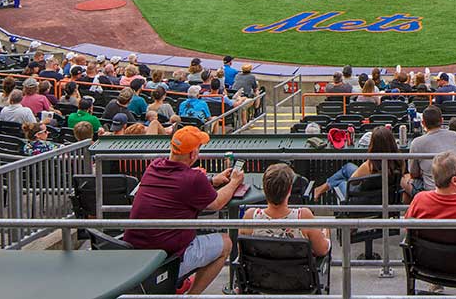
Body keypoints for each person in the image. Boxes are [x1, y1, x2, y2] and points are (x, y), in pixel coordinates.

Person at [124, 126, 245, 295]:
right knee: (226, 243)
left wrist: (211, 180)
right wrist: (234, 182)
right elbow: (216, 203)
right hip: (166, 261)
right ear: (192, 155)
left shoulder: (154, 166)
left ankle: (178, 284)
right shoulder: (193, 179)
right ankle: (192, 295)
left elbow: (180, 187)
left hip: (136, 255)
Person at [242, 163, 331, 258]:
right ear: (289, 190)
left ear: (264, 189)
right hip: (297, 272)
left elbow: (243, 253)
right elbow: (322, 250)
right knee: (326, 229)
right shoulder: (302, 217)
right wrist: (326, 232)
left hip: (260, 272)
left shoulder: (250, 217)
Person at [408, 105, 456, 192]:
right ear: (442, 120)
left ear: (423, 123)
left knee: (404, 179)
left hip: (433, 190)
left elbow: (413, 173)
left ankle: (412, 205)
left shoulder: (416, 143)